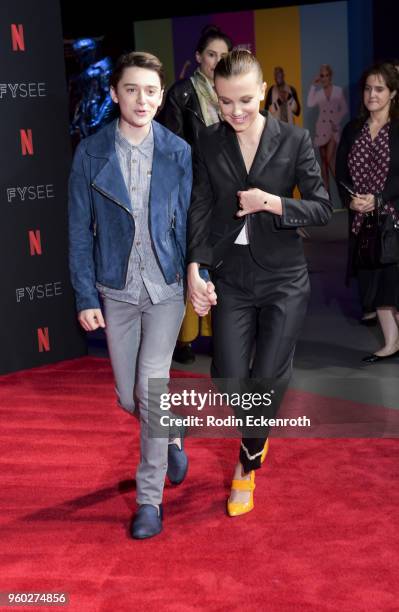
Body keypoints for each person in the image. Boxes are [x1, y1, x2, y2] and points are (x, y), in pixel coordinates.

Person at [187, 49, 332, 517]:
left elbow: (321, 206)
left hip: (284, 278)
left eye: (245, 100)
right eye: (226, 102)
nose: (235, 112)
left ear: (264, 92)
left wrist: (271, 202)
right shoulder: (208, 142)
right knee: (228, 376)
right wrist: (196, 266)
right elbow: (201, 208)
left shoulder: (295, 139)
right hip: (232, 275)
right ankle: (258, 436)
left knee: (266, 377)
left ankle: (245, 464)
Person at [68, 51, 192, 539]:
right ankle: (173, 432)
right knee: (128, 397)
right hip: (114, 289)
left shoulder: (177, 151)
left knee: (151, 389)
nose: (143, 99)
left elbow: (188, 222)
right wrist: (84, 296)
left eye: (152, 90)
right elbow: (79, 230)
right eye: (134, 89)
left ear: (161, 97)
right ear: (116, 92)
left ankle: (149, 500)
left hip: (165, 286)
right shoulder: (91, 153)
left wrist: (198, 274)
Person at [158, 25, 233, 364]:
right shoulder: (182, 93)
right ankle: (183, 339)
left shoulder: (232, 92)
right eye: (212, 54)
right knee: (191, 262)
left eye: (223, 55)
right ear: (199, 57)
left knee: (223, 264)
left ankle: (222, 334)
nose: (217, 61)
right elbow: (169, 145)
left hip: (228, 190)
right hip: (191, 191)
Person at [336, 62, 399, 362]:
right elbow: (340, 172)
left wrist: (380, 197)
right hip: (362, 220)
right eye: (368, 88)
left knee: (393, 281)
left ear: (393, 93)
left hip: (393, 216)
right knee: (373, 284)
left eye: (379, 89)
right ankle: (391, 343)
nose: (372, 94)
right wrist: (350, 200)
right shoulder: (352, 129)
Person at [307, 64, 348, 193]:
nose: (324, 78)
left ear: (330, 76)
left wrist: (337, 120)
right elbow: (310, 103)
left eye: (326, 75)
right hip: (321, 129)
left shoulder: (338, 90)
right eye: (322, 76)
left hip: (333, 129)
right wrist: (313, 85)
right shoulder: (318, 93)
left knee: (329, 160)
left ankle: (343, 191)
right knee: (325, 163)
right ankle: (327, 196)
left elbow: (344, 109)